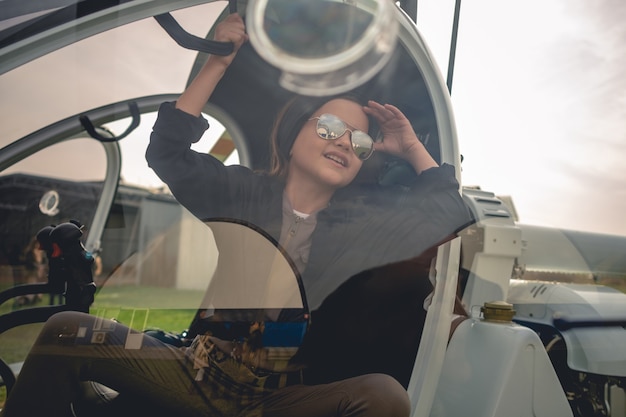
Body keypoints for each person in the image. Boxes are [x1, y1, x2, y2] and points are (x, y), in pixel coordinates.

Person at [2, 13, 471, 417]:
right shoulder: (242, 191)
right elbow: (168, 152)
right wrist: (218, 62)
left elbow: (447, 211)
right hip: (198, 372)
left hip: (277, 399)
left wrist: (410, 148)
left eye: (361, 142)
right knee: (65, 329)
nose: (345, 142)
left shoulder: (361, 223)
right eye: (330, 127)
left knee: (384, 396)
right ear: (293, 133)